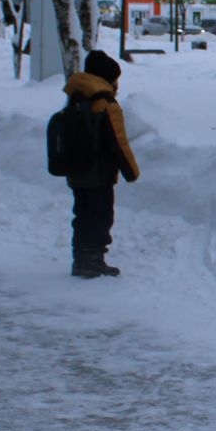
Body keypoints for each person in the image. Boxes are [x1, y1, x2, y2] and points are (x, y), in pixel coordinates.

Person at [63, 49, 140, 277]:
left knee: (83, 213)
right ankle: (93, 258)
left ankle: (81, 258)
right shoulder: (105, 103)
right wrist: (131, 171)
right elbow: (118, 141)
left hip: (77, 169)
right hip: (99, 172)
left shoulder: (76, 97)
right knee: (101, 215)